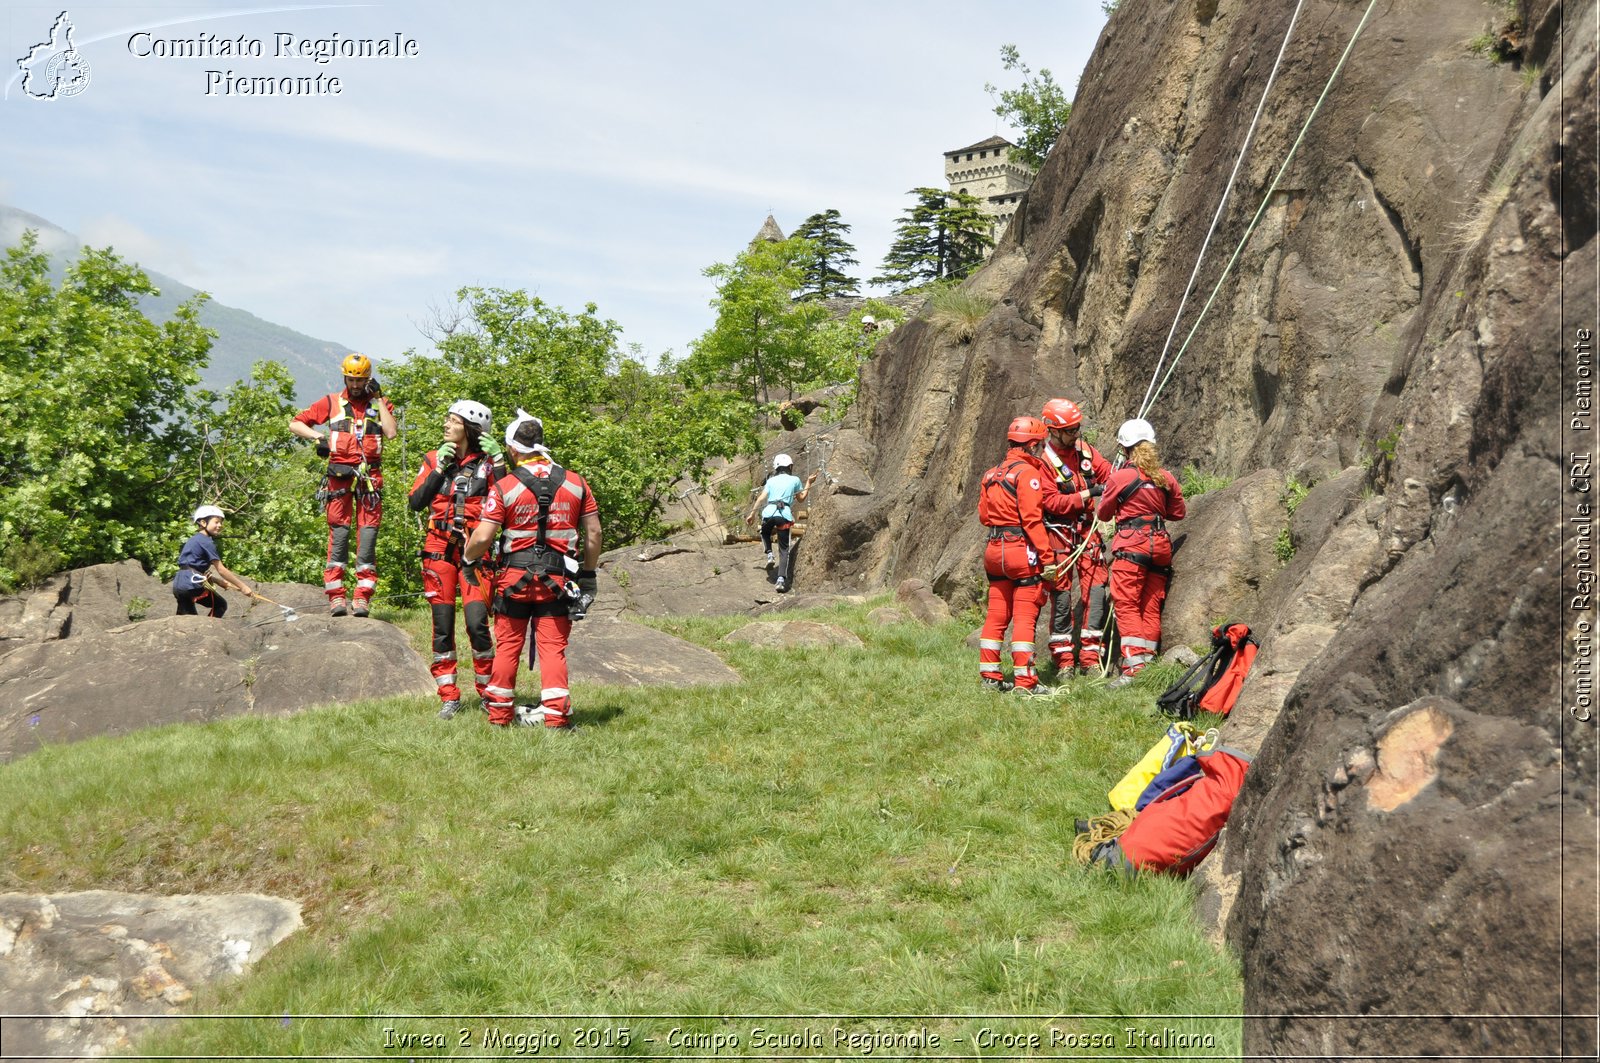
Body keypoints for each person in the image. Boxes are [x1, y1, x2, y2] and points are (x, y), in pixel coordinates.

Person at [464, 410, 601, 730]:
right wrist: (589, 575)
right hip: (558, 579)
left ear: (513, 450)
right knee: (554, 648)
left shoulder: (506, 485)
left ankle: (499, 716)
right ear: (541, 446)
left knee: (508, 646)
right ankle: (557, 718)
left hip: (514, 580)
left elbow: (483, 536)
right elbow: (593, 534)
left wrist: (469, 562)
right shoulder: (576, 483)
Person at [409, 400, 502, 720]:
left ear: (470, 429)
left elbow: (508, 499)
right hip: (438, 551)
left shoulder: (490, 465)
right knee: (442, 627)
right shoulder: (434, 458)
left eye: (453, 421)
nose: (446, 425)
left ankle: (489, 693)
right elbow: (416, 502)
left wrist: (500, 460)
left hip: (476, 554)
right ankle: (449, 696)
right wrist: (437, 470)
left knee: (478, 624)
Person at [288, 353, 397, 617]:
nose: (356, 385)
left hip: (370, 478)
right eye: (351, 379)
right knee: (339, 535)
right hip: (340, 476)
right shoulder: (331, 402)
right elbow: (295, 423)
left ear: (368, 379)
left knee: (368, 536)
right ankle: (336, 596)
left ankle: (362, 597)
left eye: (360, 380)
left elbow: (391, 432)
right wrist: (318, 437)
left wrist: (380, 398)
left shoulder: (379, 403)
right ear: (344, 377)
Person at [1096, 418, 1187, 685]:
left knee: (1126, 603)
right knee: (1149, 604)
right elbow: (1178, 512)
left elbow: (1103, 512)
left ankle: (1134, 667)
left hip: (1132, 545)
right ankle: (1146, 663)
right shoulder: (1165, 477)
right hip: (1159, 546)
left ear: (1125, 449)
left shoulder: (1121, 477)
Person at [977, 416, 1060, 697]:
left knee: (996, 615)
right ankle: (1026, 682)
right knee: (1025, 617)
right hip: (1019, 551)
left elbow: (984, 516)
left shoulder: (990, 474)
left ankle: (989, 676)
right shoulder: (1028, 474)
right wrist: (1048, 559)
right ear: (1034, 445)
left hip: (994, 551)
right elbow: (1032, 520)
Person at [1039, 398, 1113, 675]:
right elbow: (1051, 502)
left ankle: (1091, 659)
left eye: (1077, 428)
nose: (1075, 434)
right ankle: (1064, 662)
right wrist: (1087, 495)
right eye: (1070, 430)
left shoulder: (1085, 452)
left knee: (1096, 591)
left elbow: (1109, 475)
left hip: (1087, 534)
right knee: (1061, 598)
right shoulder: (1045, 461)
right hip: (1059, 536)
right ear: (1054, 431)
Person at [745, 453, 816, 594]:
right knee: (784, 550)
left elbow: (760, 499)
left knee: (764, 532)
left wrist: (752, 514)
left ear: (776, 468)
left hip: (769, 514)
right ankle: (781, 580)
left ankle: (769, 554)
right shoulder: (795, 480)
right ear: (790, 466)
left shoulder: (771, 481)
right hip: (784, 515)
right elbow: (801, 498)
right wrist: (809, 482)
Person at [172, 505, 257, 617]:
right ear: (203, 523)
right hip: (191, 586)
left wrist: (218, 582)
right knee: (220, 605)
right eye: (216, 522)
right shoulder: (206, 541)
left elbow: (191, 568)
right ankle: (211, 627)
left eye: (221, 523)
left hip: (179, 585)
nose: (220, 525)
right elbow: (221, 569)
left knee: (187, 619)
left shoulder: (193, 539)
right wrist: (243, 587)